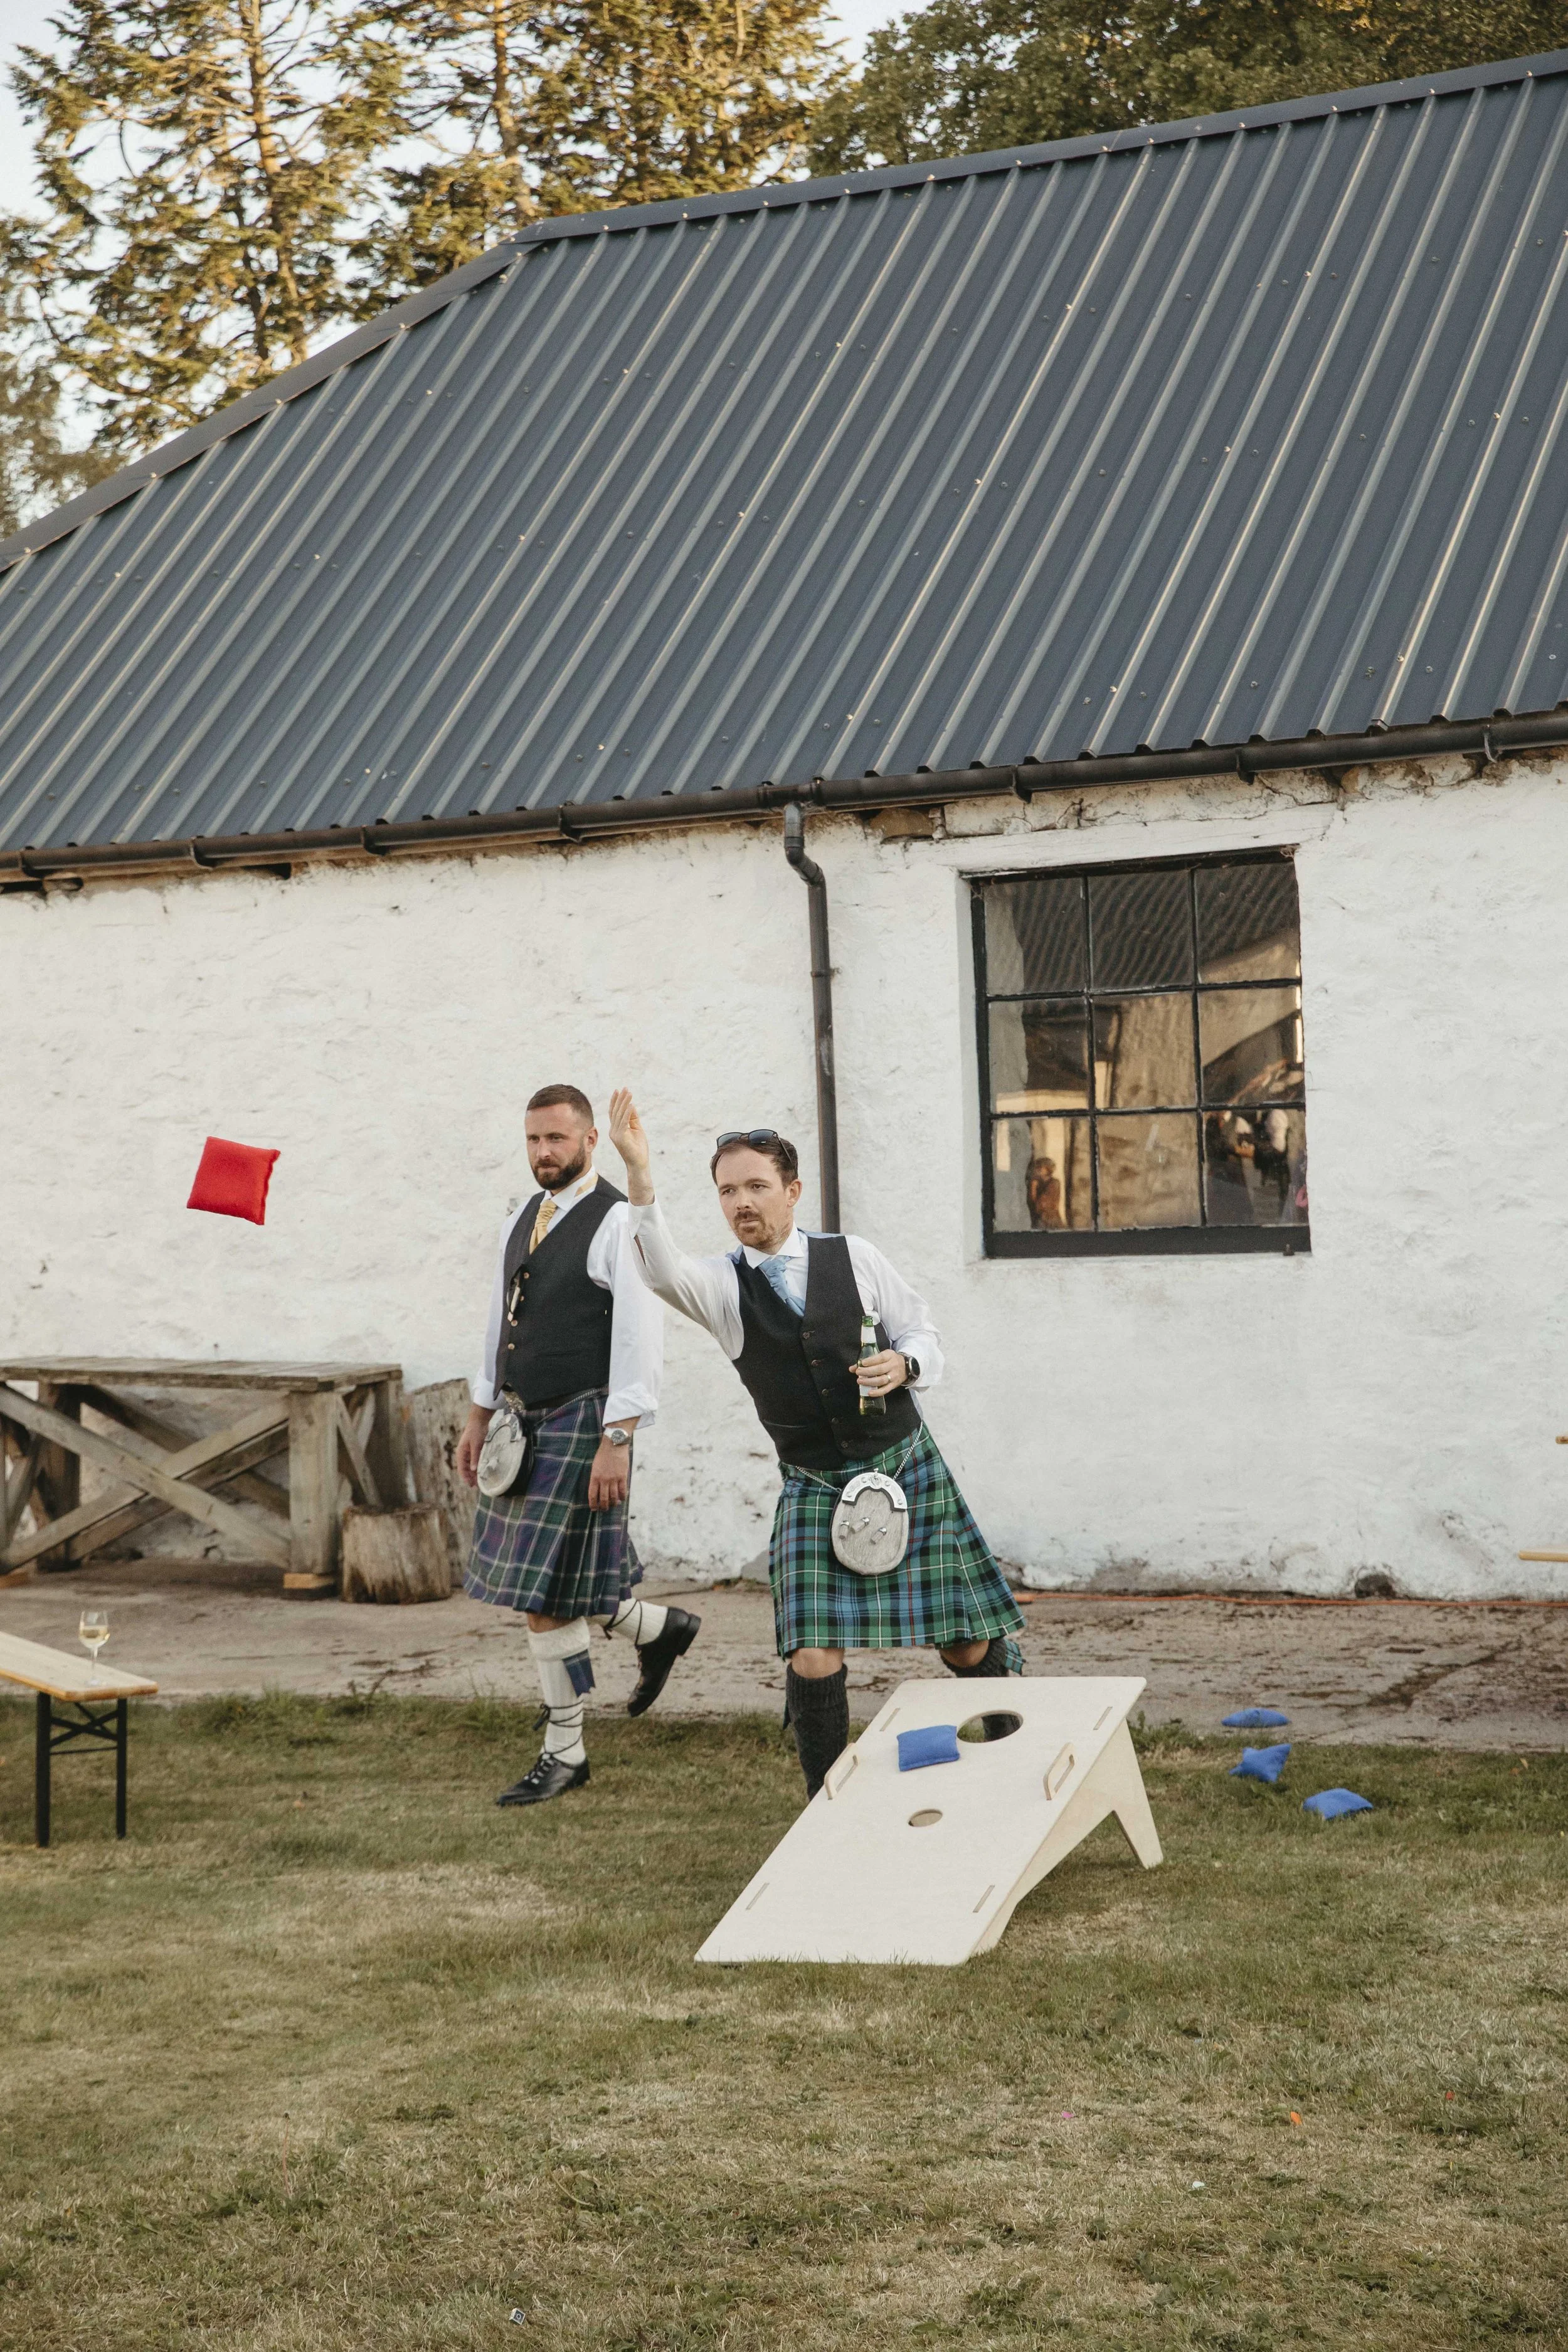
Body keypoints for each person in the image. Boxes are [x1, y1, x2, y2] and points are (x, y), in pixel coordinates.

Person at [606, 1091, 1024, 1801]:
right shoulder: (719, 1288)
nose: (741, 1202)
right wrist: (639, 1174)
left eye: (756, 1187)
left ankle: (1017, 1772)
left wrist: (907, 1365)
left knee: (966, 1642)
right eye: (728, 1191)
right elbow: (656, 1269)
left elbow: (921, 1330)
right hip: (814, 1484)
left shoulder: (853, 1257)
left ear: (792, 1191)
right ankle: (825, 1804)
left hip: (905, 1468)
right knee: (809, 1652)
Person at [455, 1084, 700, 1807]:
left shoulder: (616, 1220)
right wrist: (478, 1414)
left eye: (556, 1140)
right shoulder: (520, 1218)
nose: (542, 1154)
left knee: (542, 1597)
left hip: (585, 1420)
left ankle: (566, 1749)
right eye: (533, 1140)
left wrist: (617, 1438)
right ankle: (657, 1628)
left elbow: (639, 1334)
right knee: (553, 1588)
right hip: (520, 1420)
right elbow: (497, 1323)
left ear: (591, 1141)